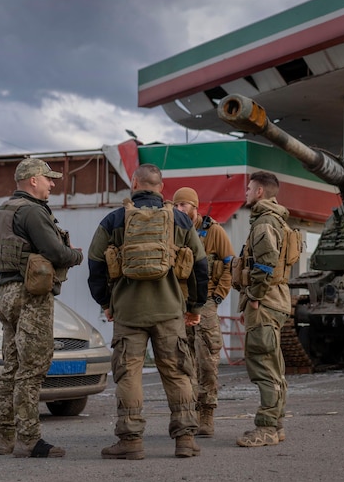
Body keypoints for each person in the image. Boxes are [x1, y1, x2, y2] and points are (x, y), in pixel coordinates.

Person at [88, 164, 209, 460]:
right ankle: (185, 440)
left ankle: (130, 441)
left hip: (128, 313)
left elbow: (95, 265)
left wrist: (107, 303)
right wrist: (194, 307)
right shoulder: (180, 219)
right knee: (178, 373)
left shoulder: (114, 219)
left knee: (129, 375)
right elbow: (201, 267)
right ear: (161, 186)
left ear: (134, 183)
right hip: (169, 311)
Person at [0, 158, 84, 458]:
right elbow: (54, 251)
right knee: (32, 368)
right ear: (33, 180)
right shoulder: (32, 210)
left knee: (11, 367)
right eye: (48, 179)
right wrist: (76, 255)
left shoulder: (4, 210)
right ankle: (29, 440)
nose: (52, 184)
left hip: (6, 292)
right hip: (31, 296)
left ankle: (3, 438)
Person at [172, 186, 235, 436]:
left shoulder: (213, 231)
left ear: (195, 207)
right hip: (179, 301)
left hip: (206, 299)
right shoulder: (173, 232)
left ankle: (206, 413)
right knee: (181, 359)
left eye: (183, 205)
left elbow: (230, 263)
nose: (179, 210)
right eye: (176, 205)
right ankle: (187, 414)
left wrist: (219, 296)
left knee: (207, 356)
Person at [235, 171, 292, 447]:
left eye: (249, 188)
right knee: (274, 366)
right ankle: (276, 424)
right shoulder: (277, 219)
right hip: (276, 301)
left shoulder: (264, 223)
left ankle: (266, 428)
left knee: (263, 365)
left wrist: (255, 296)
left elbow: (266, 262)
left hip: (265, 303)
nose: (245, 193)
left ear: (260, 192)